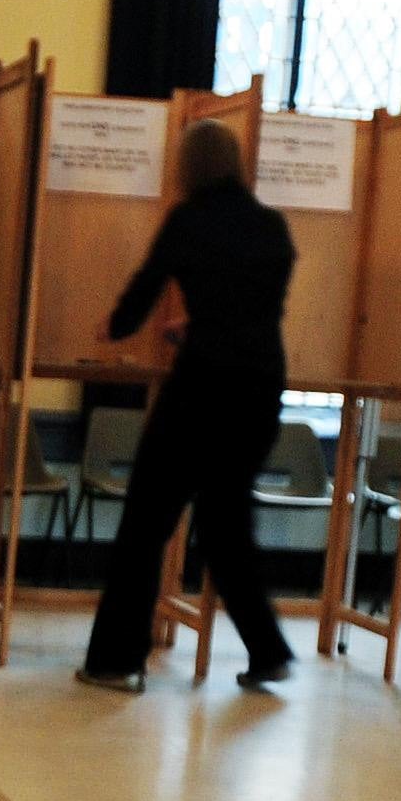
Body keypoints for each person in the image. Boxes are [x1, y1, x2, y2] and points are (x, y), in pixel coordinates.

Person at [75, 116, 298, 693]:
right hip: (259, 391)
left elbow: (146, 287)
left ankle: (117, 660)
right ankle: (268, 651)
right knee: (226, 525)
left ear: (189, 166)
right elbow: (254, 310)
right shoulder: (273, 227)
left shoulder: (189, 220)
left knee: (147, 522)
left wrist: (115, 327)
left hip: (201, 389)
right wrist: (201, 325)